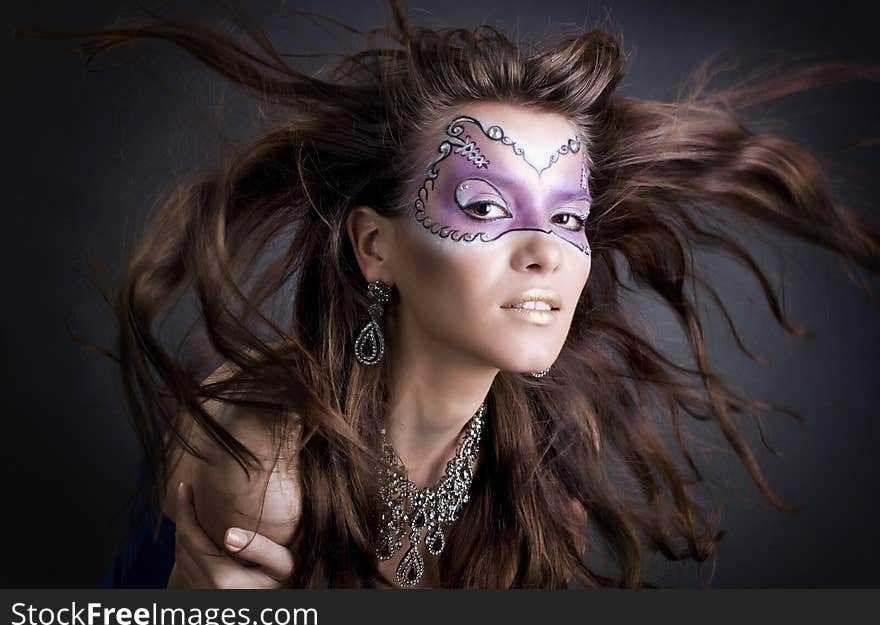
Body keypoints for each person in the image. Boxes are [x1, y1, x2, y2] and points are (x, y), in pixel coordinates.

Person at [27, 1, 880, 588]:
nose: (546, 252)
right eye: (484, 207)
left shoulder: (535, 474)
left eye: (570, 216)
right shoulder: (269, 474)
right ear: (375, 246)